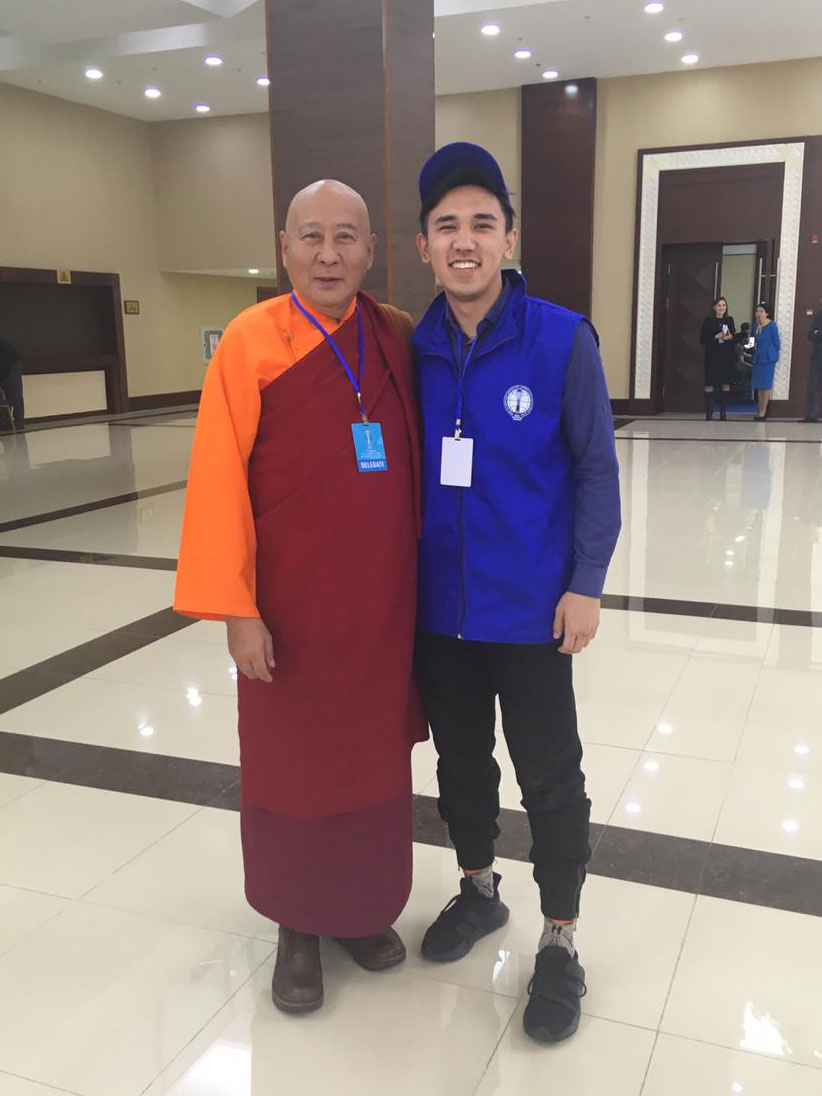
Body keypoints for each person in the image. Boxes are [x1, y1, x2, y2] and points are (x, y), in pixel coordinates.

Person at [174, 179, 426, 1014]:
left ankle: (360, 911)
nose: (328, 253)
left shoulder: (393, 335)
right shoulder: (250, 342)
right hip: (290, 612)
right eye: (310, 236)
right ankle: (296, 927)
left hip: (382, 608)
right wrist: (238, 611)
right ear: (284, 249)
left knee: (372, 763)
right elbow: (217, 481)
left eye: (346, 236)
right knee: (294, 770)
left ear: (371, 250)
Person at [411, 143, 621, 1046]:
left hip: (533, 614)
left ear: (509, 237)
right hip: (440, 615)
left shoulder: (563, 339)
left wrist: (585, 584)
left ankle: (562, 937)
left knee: (550, 779)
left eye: (481, 224)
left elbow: (597, 470)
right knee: (461, 766)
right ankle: (479, 889)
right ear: (423, 245)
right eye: (446, 226)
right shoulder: (410, 349)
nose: (464, 242)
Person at [699, 296, 736, 421]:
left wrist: (729, 337)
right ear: (714, 307)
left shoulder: (730, 320)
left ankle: (723, 413)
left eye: (724, 305)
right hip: (712, 356)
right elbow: (703, 339)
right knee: (710, 383)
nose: (721, 308)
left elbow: (734, 337)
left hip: (726, 356)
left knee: (725, 383)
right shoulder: (709, 320)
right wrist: (716, 336)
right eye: (719, 305)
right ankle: (709, 413)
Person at [752, 301, 781, 421]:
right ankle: (760, 409)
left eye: (761, 311)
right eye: (757, 311)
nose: (759, 314)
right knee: (759, 385)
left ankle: (763, 412)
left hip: (768, 358)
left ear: (766, 313)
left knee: (766, 385)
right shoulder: (755, 326)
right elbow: (752, 341)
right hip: (758, 357)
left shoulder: (772, 325)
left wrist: (773, 354)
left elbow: (777, 343)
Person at [801, 298, 822, 423]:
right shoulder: (818, 317)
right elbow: (810, 334)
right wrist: (817, 333)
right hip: (817, 356)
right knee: (813, 385)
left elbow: (815, 333)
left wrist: (817, 333)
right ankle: (812, 415)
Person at [0, 336, 24, 431]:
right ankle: (4, 423)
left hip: (12, 365)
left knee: (15, 394)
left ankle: (19, 423)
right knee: (3, 395)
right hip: (3, 365)